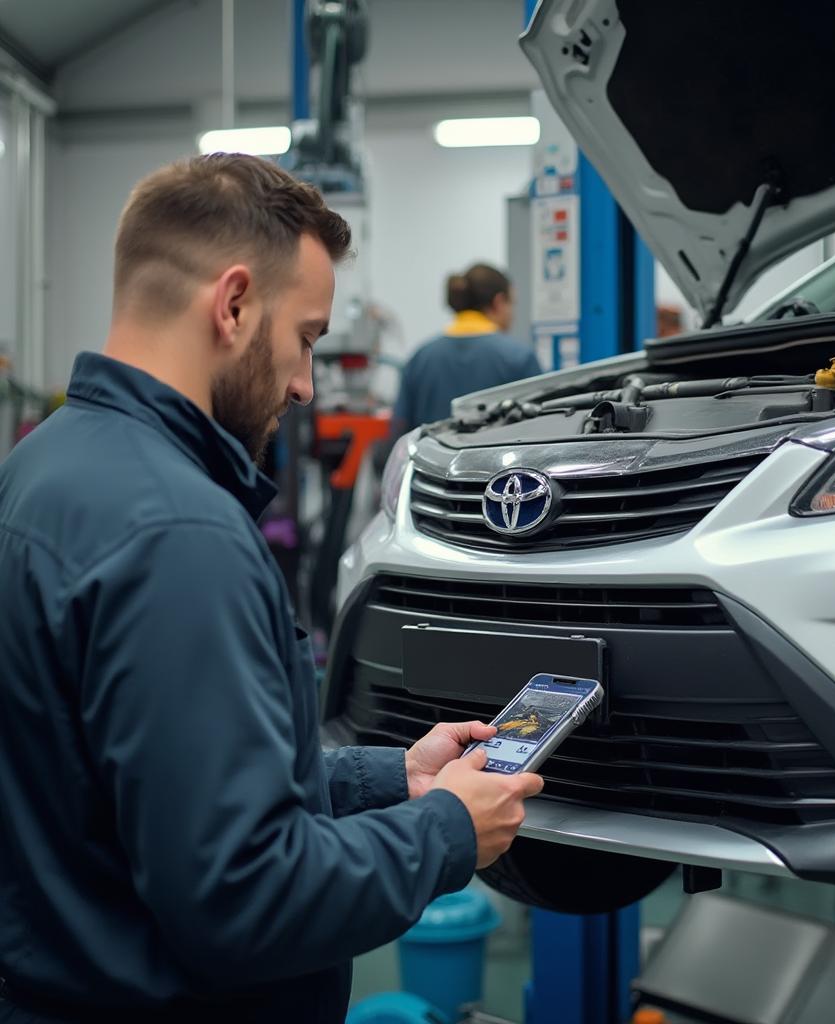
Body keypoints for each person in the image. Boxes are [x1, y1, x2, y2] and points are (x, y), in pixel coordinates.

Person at [0, 155, 543, 1024]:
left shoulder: (43, 466)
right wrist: (444, 832)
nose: (305, 383)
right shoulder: (180, 537)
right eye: (307, 339)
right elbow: (244, 898)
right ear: (234, 304)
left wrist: (390, 780)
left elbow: (156, 789)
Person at [391, 263, 542, 434]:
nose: (512, 314)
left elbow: (400, 431)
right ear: (499, 302)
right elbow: (540, 430)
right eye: (512, 304)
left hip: (431, 460)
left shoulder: (420, 358)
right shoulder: (519, 358)